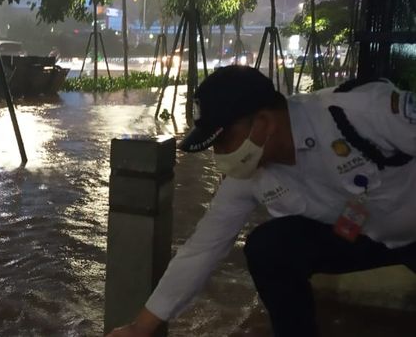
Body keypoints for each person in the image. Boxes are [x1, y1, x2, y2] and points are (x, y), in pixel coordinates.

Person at [106, 65, 416, 337]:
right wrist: (140, 328)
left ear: (264, 122)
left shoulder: (358, 111)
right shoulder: (248, 176)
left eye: (224, 141)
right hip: (358, 238)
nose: (221, 155)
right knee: (269, 248)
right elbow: (202, 249)